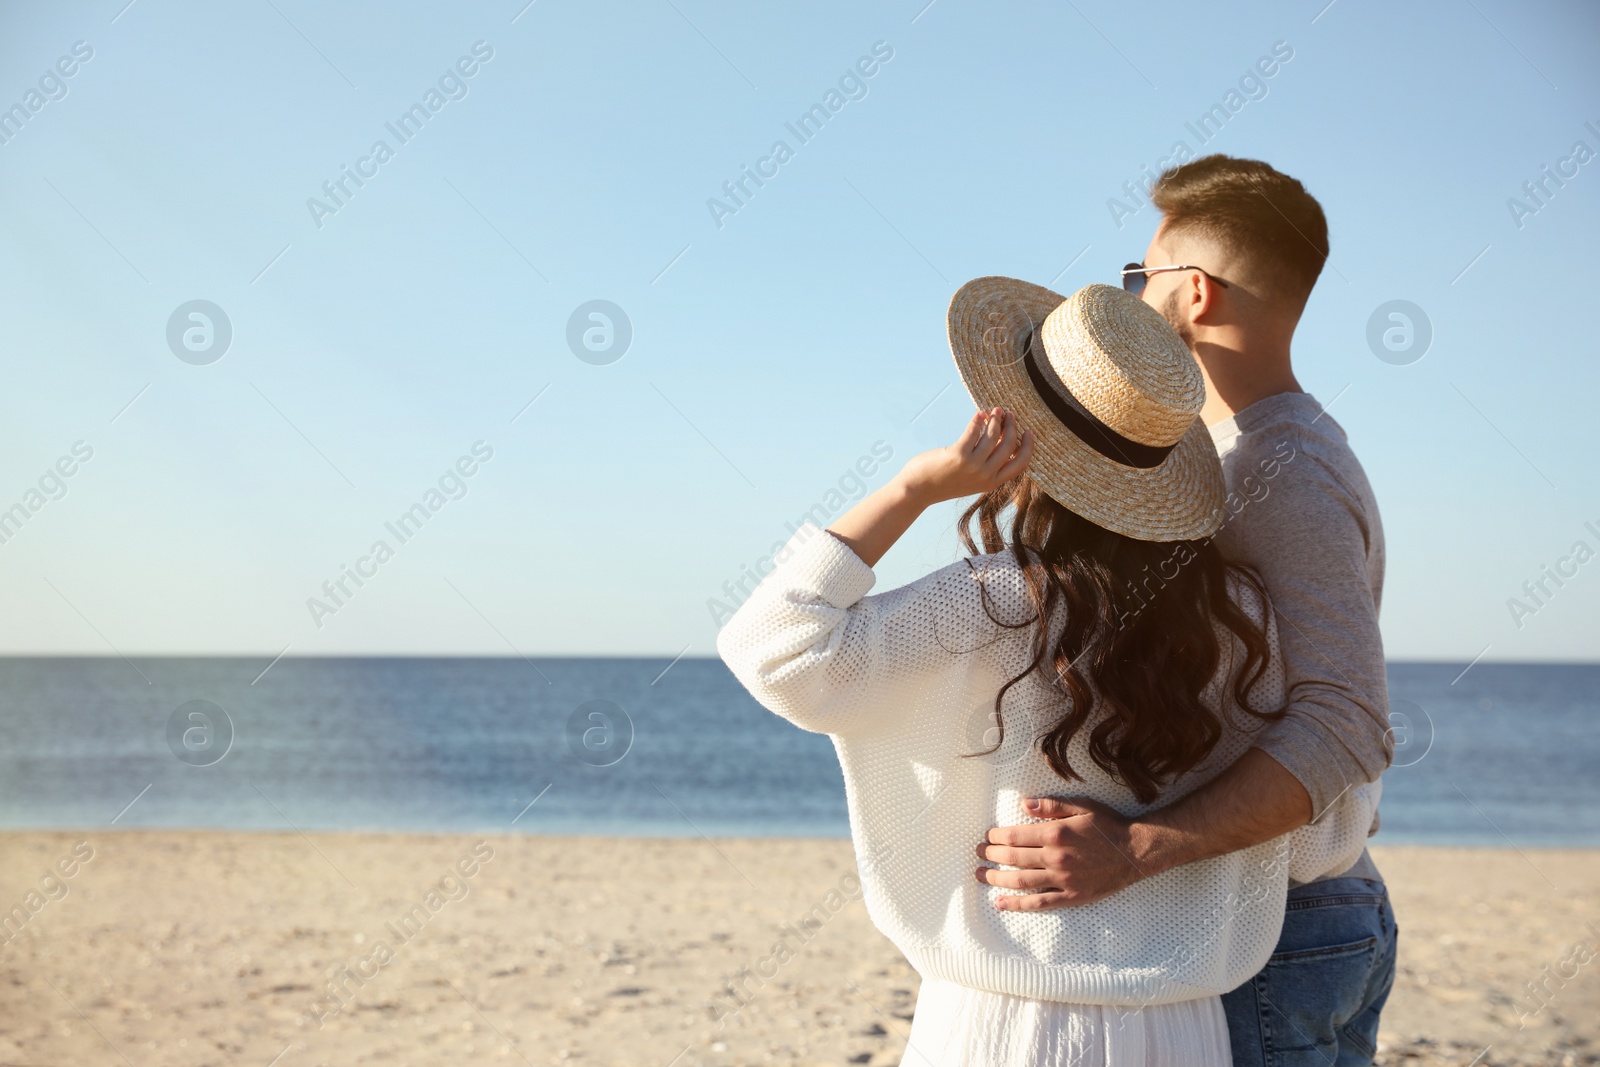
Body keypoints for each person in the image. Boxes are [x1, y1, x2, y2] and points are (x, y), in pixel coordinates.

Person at [716, 280, 1378, 1066]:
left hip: (995, 1024)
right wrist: (1160, 846)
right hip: (1182, 1029)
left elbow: (773, 646)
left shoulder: (992, 602)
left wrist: (915, 487)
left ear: (1020, 442)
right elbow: (1317, 835)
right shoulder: (1241, 620)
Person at [977, 156, 1398, 1065]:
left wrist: (1133, 849)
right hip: (1290, 913)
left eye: (1141, 276)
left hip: (1282, 926)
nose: (1132, 297)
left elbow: (1349, 723)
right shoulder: (1242, 453)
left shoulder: (1286, 472)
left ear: (1195, 293)